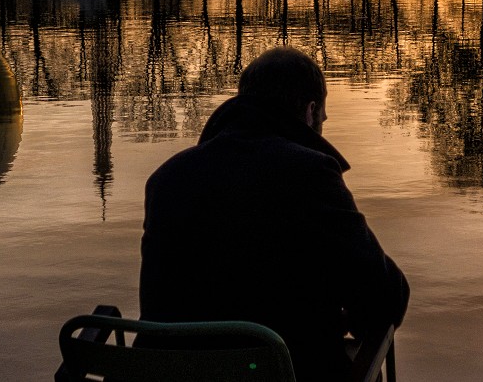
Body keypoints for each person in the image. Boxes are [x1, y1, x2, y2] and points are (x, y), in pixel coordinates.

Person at [140, 47, 409, 380]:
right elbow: (384, 301)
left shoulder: (167, 178)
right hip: (279, 372)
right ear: (311, 111)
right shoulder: (311, 174)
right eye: (322, 120)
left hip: (173, 373)